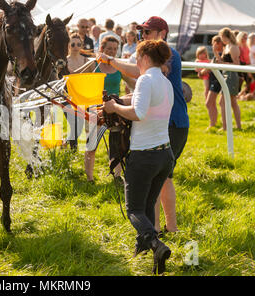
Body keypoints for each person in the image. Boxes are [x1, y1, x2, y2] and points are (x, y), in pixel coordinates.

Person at [100, 16, 189, 235]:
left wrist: (109, 60)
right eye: (142, 33)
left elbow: (135, 72)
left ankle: (161, 230)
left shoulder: (168, 55)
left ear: (162, 33)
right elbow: (141, 92)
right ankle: (161, 228)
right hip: (169, 122)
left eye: (147, 32)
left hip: (172, 123)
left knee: (160, 180)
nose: (143, 36)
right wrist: (118, 102)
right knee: (163, 179)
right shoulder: (155, 69)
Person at [101, 39, 174, 274]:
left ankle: (157, 246)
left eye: (136, 59)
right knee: (148, 204)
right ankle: (143, 250)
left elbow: (138, 112)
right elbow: (143, 104)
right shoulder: (165, 82)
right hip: (165, 155)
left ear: (143, 58)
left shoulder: (144, 79)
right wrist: (118, 102)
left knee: (134, 210)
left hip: (144, 156)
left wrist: (114, 109)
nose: (135, 63)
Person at [74, 36, 134, 182]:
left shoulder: (118, 66)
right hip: (95, 109)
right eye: (109, 49)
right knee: (91, 146)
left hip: (114, 110)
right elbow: (77, 78)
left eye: (114, 49)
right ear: (102, 49)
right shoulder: (93, 64)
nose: (112, 52)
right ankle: (89, 179)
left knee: (117, 145)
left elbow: (133, 82)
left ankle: (117, 176)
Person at [214, 27, 241, 130]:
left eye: (221, 37)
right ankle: (237, 126)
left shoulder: (233, 47)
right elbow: (221, 61)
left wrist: (223, 63)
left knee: (222, 102)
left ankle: (226, 127)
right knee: (233, 102)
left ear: (225, 36)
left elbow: (237, 64)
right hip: (226, 75)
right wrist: (215, 51)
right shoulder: (227, 47)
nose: (221, 39)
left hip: (231, 76)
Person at [201, 36, 224, 129]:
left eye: (213, 43)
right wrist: (203, 71)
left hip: (218, 80)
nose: (212, 46)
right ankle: (214, 123)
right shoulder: (217, 54)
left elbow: (219, 63)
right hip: (214, 79)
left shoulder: (221, 53)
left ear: (218, 44)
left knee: (209, 103)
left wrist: (214, 51)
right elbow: (211, 66)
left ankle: (213, 124)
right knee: (211, 103)